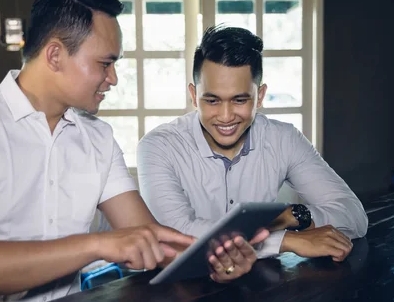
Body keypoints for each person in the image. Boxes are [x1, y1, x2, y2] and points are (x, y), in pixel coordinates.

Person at [0, 0, 263, 302]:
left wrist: (214, 259)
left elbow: (148, 239)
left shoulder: (98, 138)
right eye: (104, 63)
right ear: (54, 55)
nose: (112, 78)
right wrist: (96, 244)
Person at [137, 25, 368, 269]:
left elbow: (353, 215)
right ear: (194, 96)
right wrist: (284, 239)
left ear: (260, 96)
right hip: (178, 292)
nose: (226, 116)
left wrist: (293, 216)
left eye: (240, 100)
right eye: (212, 100)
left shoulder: (284, 139)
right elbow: (178, 238)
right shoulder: (157, 146)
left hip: (257, 291)